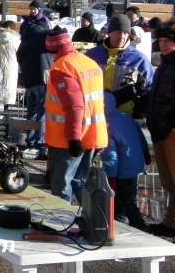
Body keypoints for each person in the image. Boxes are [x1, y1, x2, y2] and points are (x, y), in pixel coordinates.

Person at [44, 26, 107, 204]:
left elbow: (75, 106)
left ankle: (60, 223)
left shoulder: (61, 68)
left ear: (51, 49)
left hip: (68, 139)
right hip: (91, 134)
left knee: (61, 187)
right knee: (81, 183)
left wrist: (73, 138)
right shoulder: (87, 62)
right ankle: (91, 221)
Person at [86, 15, 154, 117]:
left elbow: (149, 90)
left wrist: (139, 112)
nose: (122, 36)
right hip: (95, 116)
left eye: (125, 33)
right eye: (118, 32)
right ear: (109, 33)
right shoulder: (92, 56)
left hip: (126, 117)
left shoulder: (139, 59)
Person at [100, 92, 150, 232]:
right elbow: (140, 137)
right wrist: (145, 153)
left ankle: (140, 227)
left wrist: (111, 178)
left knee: (126, 202)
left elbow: (111, 157)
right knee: (123, 200)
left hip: (122, 170)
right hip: (134, 165)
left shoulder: (106, 128)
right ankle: (118, 223)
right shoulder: (125, 117)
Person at [146, 18, 175, 236]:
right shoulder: (164, 64)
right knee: (168, 182)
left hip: (170, 129)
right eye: (162, 40)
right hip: (159, 128)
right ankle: (170, 222)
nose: (163, 44)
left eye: (169, 41)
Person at [16, 22, 52, 159]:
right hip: (43, 79)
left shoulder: (25, 40)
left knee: (31, 112)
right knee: (42, 113)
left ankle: (30, 141)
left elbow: (19, 57)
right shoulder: (44, 36)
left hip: (28, 80)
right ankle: (41, 144)